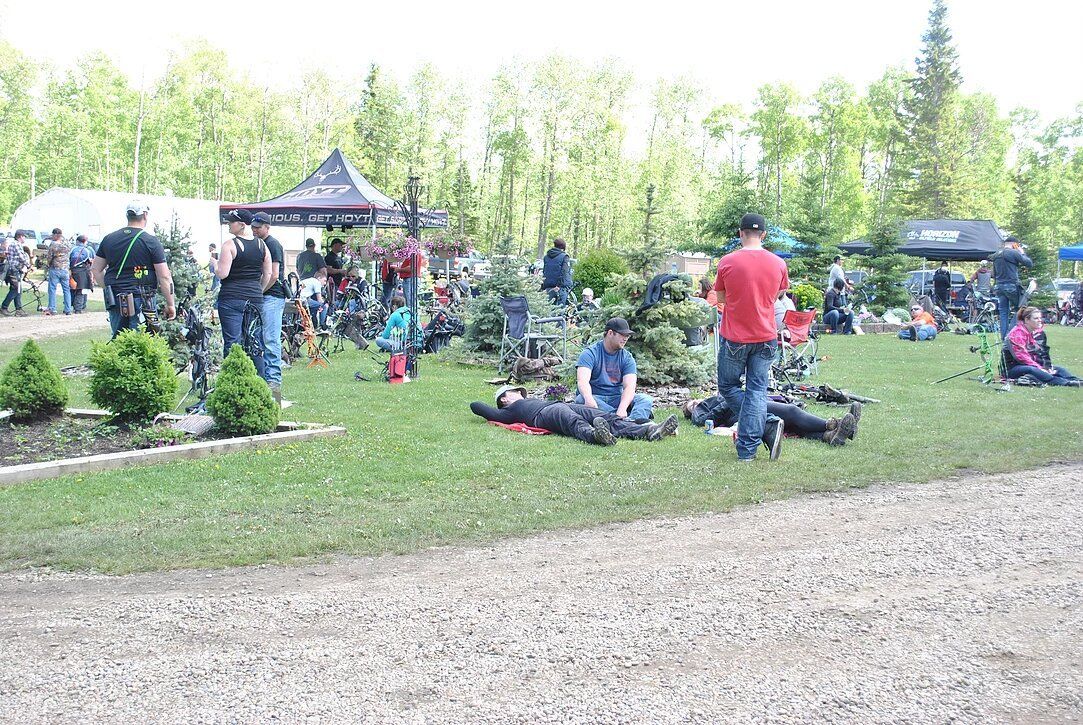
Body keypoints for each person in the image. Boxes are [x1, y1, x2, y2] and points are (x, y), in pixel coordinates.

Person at [713, 212, 790, 462]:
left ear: (740, 233)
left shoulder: (727, 262)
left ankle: (764, 429)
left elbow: (721, 298)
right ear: (763, 234)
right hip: (766, 336)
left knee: (728, 386)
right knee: (757, 390)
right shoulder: (778, 263)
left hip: (736, 337)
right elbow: (779, 293)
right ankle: (751, 444)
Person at [472, 385, 679, 446]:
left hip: (559, 405)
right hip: (545, 414)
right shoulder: (507, 411)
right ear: (504, 399)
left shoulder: (521, 401)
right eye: (514, 391)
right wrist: (501, 404)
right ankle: (595, 436)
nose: (519, 392)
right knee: (573, 421)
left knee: (604, 416)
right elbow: (476, 406)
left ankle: (649, 431)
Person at [91, 201, 176, 336]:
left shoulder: (109, 239)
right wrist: (171, 304)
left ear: (127, 216)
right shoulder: (150, 241)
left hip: (116, 299)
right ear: (145, 215)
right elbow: (164, 276)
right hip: (143, 299)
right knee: (143, 339)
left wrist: (108, 289)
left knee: (118, 339)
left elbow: (96, 269)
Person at [216, 208, 271, 377]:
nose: (228, 224)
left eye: (231, 222)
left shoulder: (230, 245)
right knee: (255, 340)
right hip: (254, 298)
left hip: (231, 297)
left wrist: (215, 265)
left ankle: (232, 380)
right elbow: (268, 273)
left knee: (233, 341)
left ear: (241, 225)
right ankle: (259, 380)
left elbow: (222, 274)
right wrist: (258, 290)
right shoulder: (262, 245)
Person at [684, 396, 860, 447]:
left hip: (745, 406)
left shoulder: (711, 401)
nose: (696, 402)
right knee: (791, 411)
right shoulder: (700, 411)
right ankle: (834, 424)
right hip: (744, 409)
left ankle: (831, 436)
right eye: (691, 404)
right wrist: (726, 400)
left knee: (793, 425)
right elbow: (702, 420)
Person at [575, 317, 654, 423]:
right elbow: (582, 382)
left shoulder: (627, 357)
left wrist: (622, 408)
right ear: (610, 333)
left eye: (628, 336)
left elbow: (629, 387)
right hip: (596, 398)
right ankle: (631, 423)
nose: (626, 338)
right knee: (581, 399)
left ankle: (622, 422)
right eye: (623, 335)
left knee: (645, 399)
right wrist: (589, 399)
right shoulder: (589, 353)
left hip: (617, 398)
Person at [251, 212, 286, 399]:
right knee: (259, 339)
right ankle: (263, 380)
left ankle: (274, 383)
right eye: (253, 227)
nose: (254, 230)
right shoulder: (257, 244)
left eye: (258, 227)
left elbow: (274, 275)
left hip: (272, 297)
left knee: (271, 340)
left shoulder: (272, 244)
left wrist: (259, 292)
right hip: (264, 296)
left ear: (267, 227)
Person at [1004, 307, 1080, 386]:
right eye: (1036, 318)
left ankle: (1077, 381)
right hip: (1013, 368)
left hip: (1031, 365)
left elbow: (1042, 352)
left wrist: (1047, 367)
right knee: (1033, 370)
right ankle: (1066, 383)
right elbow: (1022, 357)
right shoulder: (1017, 334)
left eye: (1040, 318)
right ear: (1027, 320)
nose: (1039, 320)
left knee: (1059, 369)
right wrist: (1040, 368)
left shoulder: (1036, 333)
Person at [992, 236, 1033, 335]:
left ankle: (1004, 337)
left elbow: (994, 273)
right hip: (1011, 285)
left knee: (1003, 312)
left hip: (999, 286)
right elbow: (1029, 263)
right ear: (1014, 244)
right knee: (1021, 308)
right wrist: (1022, 252)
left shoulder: (996, 254)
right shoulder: (1013, 252)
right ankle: (1011, 334)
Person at [1, 230, 30, 316]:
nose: (25, 238)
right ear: (20, 236)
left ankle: (19, 309)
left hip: (16, 269)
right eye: (24, 236)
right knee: (16, 289)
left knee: (18, 289)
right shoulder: (16, 244)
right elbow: (21, 257)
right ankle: (4, 307)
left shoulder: (16, 244)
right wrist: (29, 266)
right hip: (13, 270)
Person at [44, 228, 72, 315]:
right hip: (65, 269)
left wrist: (48, 265)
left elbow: (49, 256)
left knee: (52, 289)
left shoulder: (53, 244)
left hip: (55, 268)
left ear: (55, 235)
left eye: (53, 235)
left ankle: (52, 308)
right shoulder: (67, 244)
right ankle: (68, 309)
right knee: (66, 290)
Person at [541, 238, 573, 306]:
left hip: (548, 287)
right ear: (563, 247)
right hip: (560, 288)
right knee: (560, 309)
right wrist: (558, 285)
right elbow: (564, 272)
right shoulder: (564, 257)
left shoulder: (546, 257)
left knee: (548, 308)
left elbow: (545, 272)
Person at [68, 235, 94, 313]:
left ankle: (68, 307)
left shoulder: (72, 249)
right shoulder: (87, 250)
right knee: (81, 290)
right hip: (82, 272)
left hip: (72, 271)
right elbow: (91, 261)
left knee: (72, 289)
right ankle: (78, 308)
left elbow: (68, 259)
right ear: (85, 242)